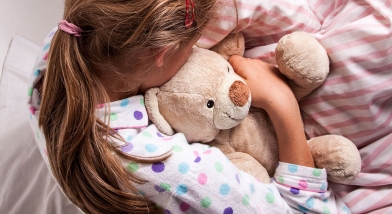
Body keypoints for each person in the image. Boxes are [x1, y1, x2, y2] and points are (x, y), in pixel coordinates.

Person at [28, 0, 350, 213]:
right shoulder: (170, 169)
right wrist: (283, 104)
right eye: (193, 46)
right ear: (163, 52)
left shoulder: (66, 41)